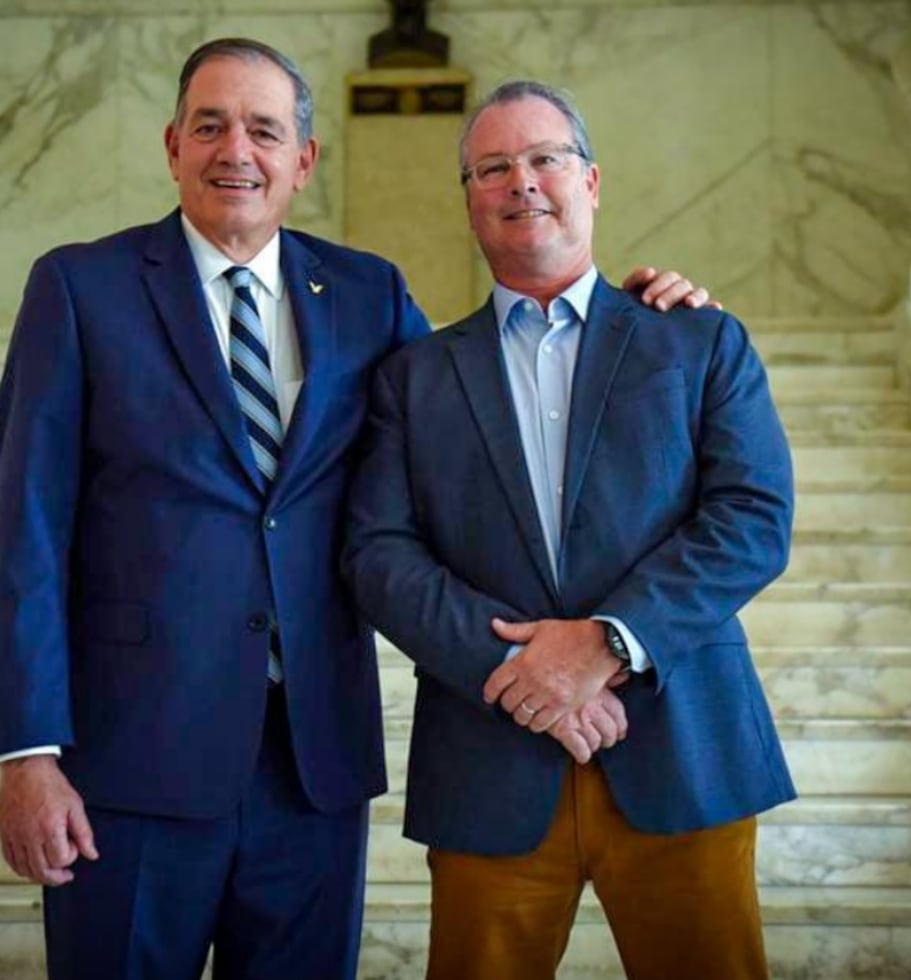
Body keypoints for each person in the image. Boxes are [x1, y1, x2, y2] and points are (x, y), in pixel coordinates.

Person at [0, 40, 707, 980]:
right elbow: (25, 529)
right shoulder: (79, 288)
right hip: (129, 764)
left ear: (305, 158)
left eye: (263, 129)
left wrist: (626, 317)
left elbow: (479, 416)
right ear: (172, 147)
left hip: (313, 767)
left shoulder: (367, 293)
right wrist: (25, 751)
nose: (234, 151)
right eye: (209, 126)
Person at [343, 79, 796, 980]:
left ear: (592, 181)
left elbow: (752, 518)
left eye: (546, 158)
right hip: (489, 764)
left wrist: (608, 644)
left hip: (682, 750)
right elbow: (378, 553)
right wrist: (516, 669)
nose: (523, 182)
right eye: (493, 167)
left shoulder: (697, 340)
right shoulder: (414, 377)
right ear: (469, 199)